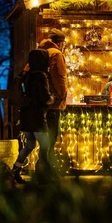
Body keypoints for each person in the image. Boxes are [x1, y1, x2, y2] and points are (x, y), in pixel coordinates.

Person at [11, 49, 54, 183]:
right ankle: (43, 174)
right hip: (37, 118)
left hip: (25, 117)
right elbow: (45, 97)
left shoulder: (25, 75)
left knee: (29, 144)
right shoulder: (41, 76)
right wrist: (53, 98)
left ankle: (15, 170)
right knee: (46, 145)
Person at [37, 28, 68, 166]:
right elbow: (59, 76)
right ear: (60, 43)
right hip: (54, 101)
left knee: (45, 138)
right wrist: (62, 95)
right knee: (51, 137)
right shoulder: (56, 54)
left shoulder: (42, 52)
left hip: (42, 100)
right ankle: (44, 169)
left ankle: (43, 168)